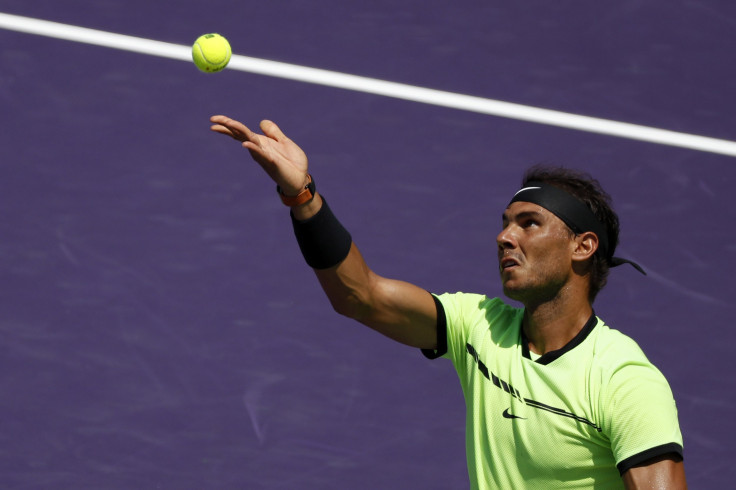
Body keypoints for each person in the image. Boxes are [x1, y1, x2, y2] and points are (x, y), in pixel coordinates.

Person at [210, 115, 687, 489]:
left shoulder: (624, 380)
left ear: (582, 247)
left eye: (529, 223)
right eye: (505, 222)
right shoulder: (478, 327)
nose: (504, 236)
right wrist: (302, 196)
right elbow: (361, 296)